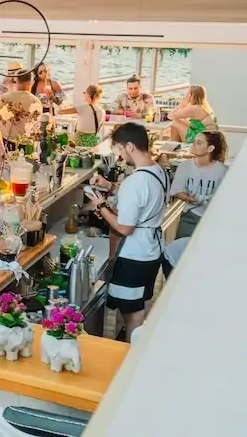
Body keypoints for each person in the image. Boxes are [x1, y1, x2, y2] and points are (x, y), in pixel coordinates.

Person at [85, 123, 169, 342]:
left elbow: (124, 227)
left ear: (130, 146)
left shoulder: (135, 181)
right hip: (152, 250)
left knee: (132, 315)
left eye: (121, 150)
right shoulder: (158, 170)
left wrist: (101, 206)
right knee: (143, 304)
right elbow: (142, 198)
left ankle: (128, 356)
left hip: (134, 255)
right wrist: (110, 186)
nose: (121, 156)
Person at [169, 131, 228, 239]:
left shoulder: (222, 171)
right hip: (190, 217)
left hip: (214, 219)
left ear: (210, 148)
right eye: (194, 141)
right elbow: (177, 191)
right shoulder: (185, 166)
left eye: (199, 143)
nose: (193, 144)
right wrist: (188, 198)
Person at [0, 71, 44, 150]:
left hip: (7, 140)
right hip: (27, 143)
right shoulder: (35, 101)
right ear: (30, 82)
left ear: (16, 80)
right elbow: (37, 124)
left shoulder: (5, 98)